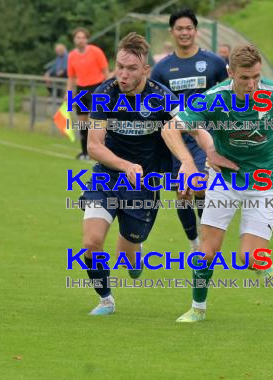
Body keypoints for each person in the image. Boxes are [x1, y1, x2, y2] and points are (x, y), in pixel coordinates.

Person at [161, 44, 273, 322]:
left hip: (266, 180)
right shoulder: (214, 98)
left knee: (248, 258)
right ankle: (197, 308)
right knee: (207, 249)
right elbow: (170, 128)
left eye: (256, 76)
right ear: (230, 73)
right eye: (245, 78)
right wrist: (187, 161)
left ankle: (261, 261)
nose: (252, 84)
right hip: (226, 178)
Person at [79, 32, 180, 315]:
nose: (123, 74)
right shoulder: (104, 93)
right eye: (119, 67)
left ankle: (135, 254)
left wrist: (191, 166)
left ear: (145, 70)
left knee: (128, 259)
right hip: (108, 174)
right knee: (91, 241)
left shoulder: (162, 98)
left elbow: (189, 132)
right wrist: (124, 165)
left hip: (144, 185)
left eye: (131, 69)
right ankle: (106, 300)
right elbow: (94, 146)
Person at [151, 9, 229, 254]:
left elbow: (227, 95)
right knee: (182, 194)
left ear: (196, 31)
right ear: (172, 32)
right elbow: (155, 105)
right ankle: (193, 239)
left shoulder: (214, 63)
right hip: (176, 138)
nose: (184, 32)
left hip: (204, 135)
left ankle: (205, 243)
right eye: (179, 29)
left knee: (200, 187)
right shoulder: (162, 68)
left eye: (188, 28)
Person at [66, 27, 110, 160]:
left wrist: (109, 89)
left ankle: (100, 150)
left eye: (83, 37)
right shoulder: (72, 56)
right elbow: (71, 78)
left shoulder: (96, 52)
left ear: (87, 39)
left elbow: (105, 71)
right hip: (81, 90)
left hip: (96, 88)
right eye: (78, 37)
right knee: (82, 122)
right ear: (74, 40)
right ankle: (84, 152)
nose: (81, 40)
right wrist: (68, 95)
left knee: (96, 121)